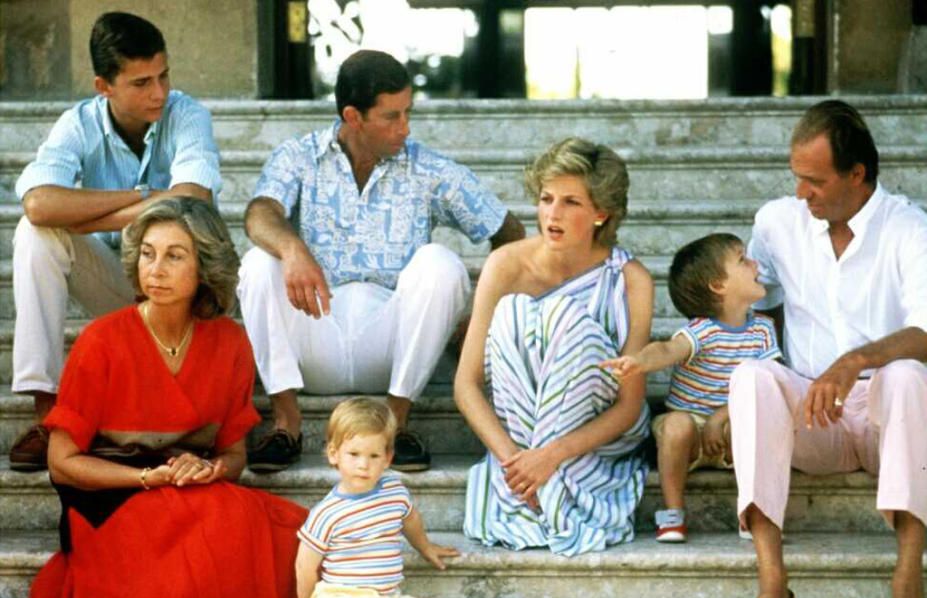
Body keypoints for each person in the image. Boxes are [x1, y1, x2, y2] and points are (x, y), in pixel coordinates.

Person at [13, 198, 308, 598]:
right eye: (147, 254)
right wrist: (146, 479)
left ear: (206, 266)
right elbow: (62, 465)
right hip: (104, 496)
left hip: (182, 488)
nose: (156, 270)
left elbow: (234, 456)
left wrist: (208, 468)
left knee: (281, 526)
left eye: (175, 256)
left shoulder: (231, 344)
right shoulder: (101, 341)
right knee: (190, 519)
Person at [238, 49, 524, 472]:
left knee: (440, 263)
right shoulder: (298, 157)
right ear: (353, 117)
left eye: (407, 112)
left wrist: (482, 315)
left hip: (391, 344)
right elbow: (259, 213)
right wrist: (292, 249)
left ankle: (394, 423)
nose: (404, 127)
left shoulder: (427, 168)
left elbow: (510, 233)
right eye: (391, 116)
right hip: (315, 332)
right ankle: (286, 423)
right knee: (258, 263)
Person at [729, 100, 927, 598]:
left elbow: (926, 331)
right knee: (750, 378)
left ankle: (908, 587)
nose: (801, 194)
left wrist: (856, 361)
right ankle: (773, 587)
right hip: (815, 416)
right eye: (797, 179)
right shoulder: (776, 222)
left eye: (814, 182)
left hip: (889, 416)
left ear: (857, 175)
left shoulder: (909, 228)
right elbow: (750, 299)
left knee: (909, 374)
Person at [9, 11, 221, 471]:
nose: (160, 92)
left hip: (186, 297)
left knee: (174, 225)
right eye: (141, 82)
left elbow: (192, 201)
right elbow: (40, 205)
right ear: (103, 86)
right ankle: (48, 413)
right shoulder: (78, 123)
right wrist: (146, 196)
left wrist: (88, 214)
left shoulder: (186, 115)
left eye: (163, 76)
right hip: (122, 284)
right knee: (35, 234)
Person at [456, 137, 652, 557]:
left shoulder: (631, 280)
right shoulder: (505, 264)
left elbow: (629, 405)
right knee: (513, 315)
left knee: (564, 319)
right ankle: (541, 489)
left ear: (601, 213)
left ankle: (547, 487)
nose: (552, 214)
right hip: (519, 438)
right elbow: (467, 385)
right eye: (546, 198)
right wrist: (516, 464)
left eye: (571, 203)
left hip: (597, 431)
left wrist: (551, 456)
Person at [602, 233, 780, 543]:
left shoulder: (763, 330)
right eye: (742, 259)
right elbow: (667, 350)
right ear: (718, 285)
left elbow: (770, 383)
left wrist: (722, 417)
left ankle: (752, 509)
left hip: (730, 431)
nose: (754, 263)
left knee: (757, 422)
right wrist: (639, 361)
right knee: (676, 425)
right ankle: (672, 513)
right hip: (690, 433)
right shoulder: (702, 330)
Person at [294, 397, 458, 598]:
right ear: (334, 455)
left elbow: (411, 519)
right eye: (353, 454)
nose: (363, 464)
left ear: (388, 457)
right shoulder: (327, 512)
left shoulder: (395, 492)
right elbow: (305, 565)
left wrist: (425, 547)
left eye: (373, 455)